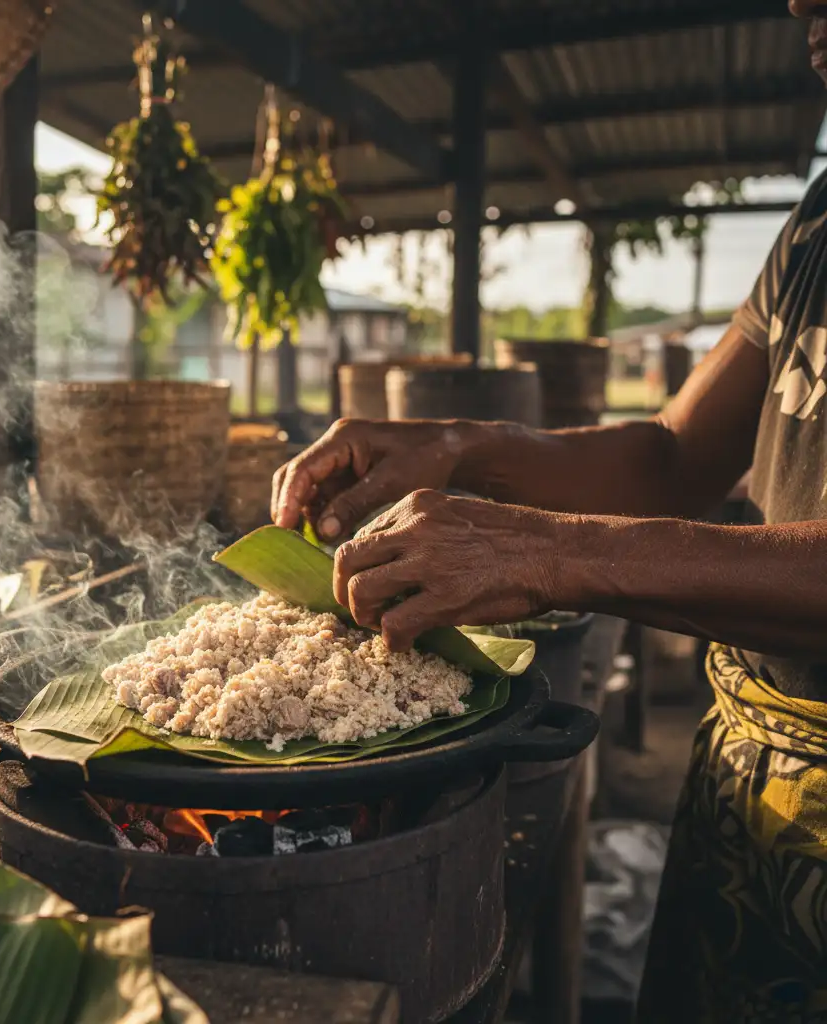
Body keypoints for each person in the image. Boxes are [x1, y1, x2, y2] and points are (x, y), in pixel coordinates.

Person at [270, 3, 827, 1017]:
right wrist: (459, 446)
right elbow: (670, 459)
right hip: (755, 795)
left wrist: (547, 548)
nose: (802, 8)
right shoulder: (816, 227)